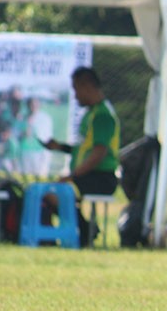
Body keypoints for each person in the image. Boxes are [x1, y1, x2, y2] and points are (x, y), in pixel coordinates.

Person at [43, 67, 120, 247]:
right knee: (53, 192)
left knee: (53, 193)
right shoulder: (92, 113)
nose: (76, 95)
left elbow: (99, 153)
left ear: (87, 86)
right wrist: (60, 147)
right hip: (90, 176)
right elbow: (85, 149)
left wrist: (73, 176)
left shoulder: (102, 115)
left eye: (76, 89)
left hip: (101, 178)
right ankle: (86, 232)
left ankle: (86, 235)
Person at [20, 97, 54, 177]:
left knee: (39, 175)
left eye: (35, 104)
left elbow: (47, 137)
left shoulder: (45, 118)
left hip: (39, 152)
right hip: (26, 152)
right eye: (31, 104)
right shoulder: (23, 118)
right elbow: (19, 135)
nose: (33, 106)